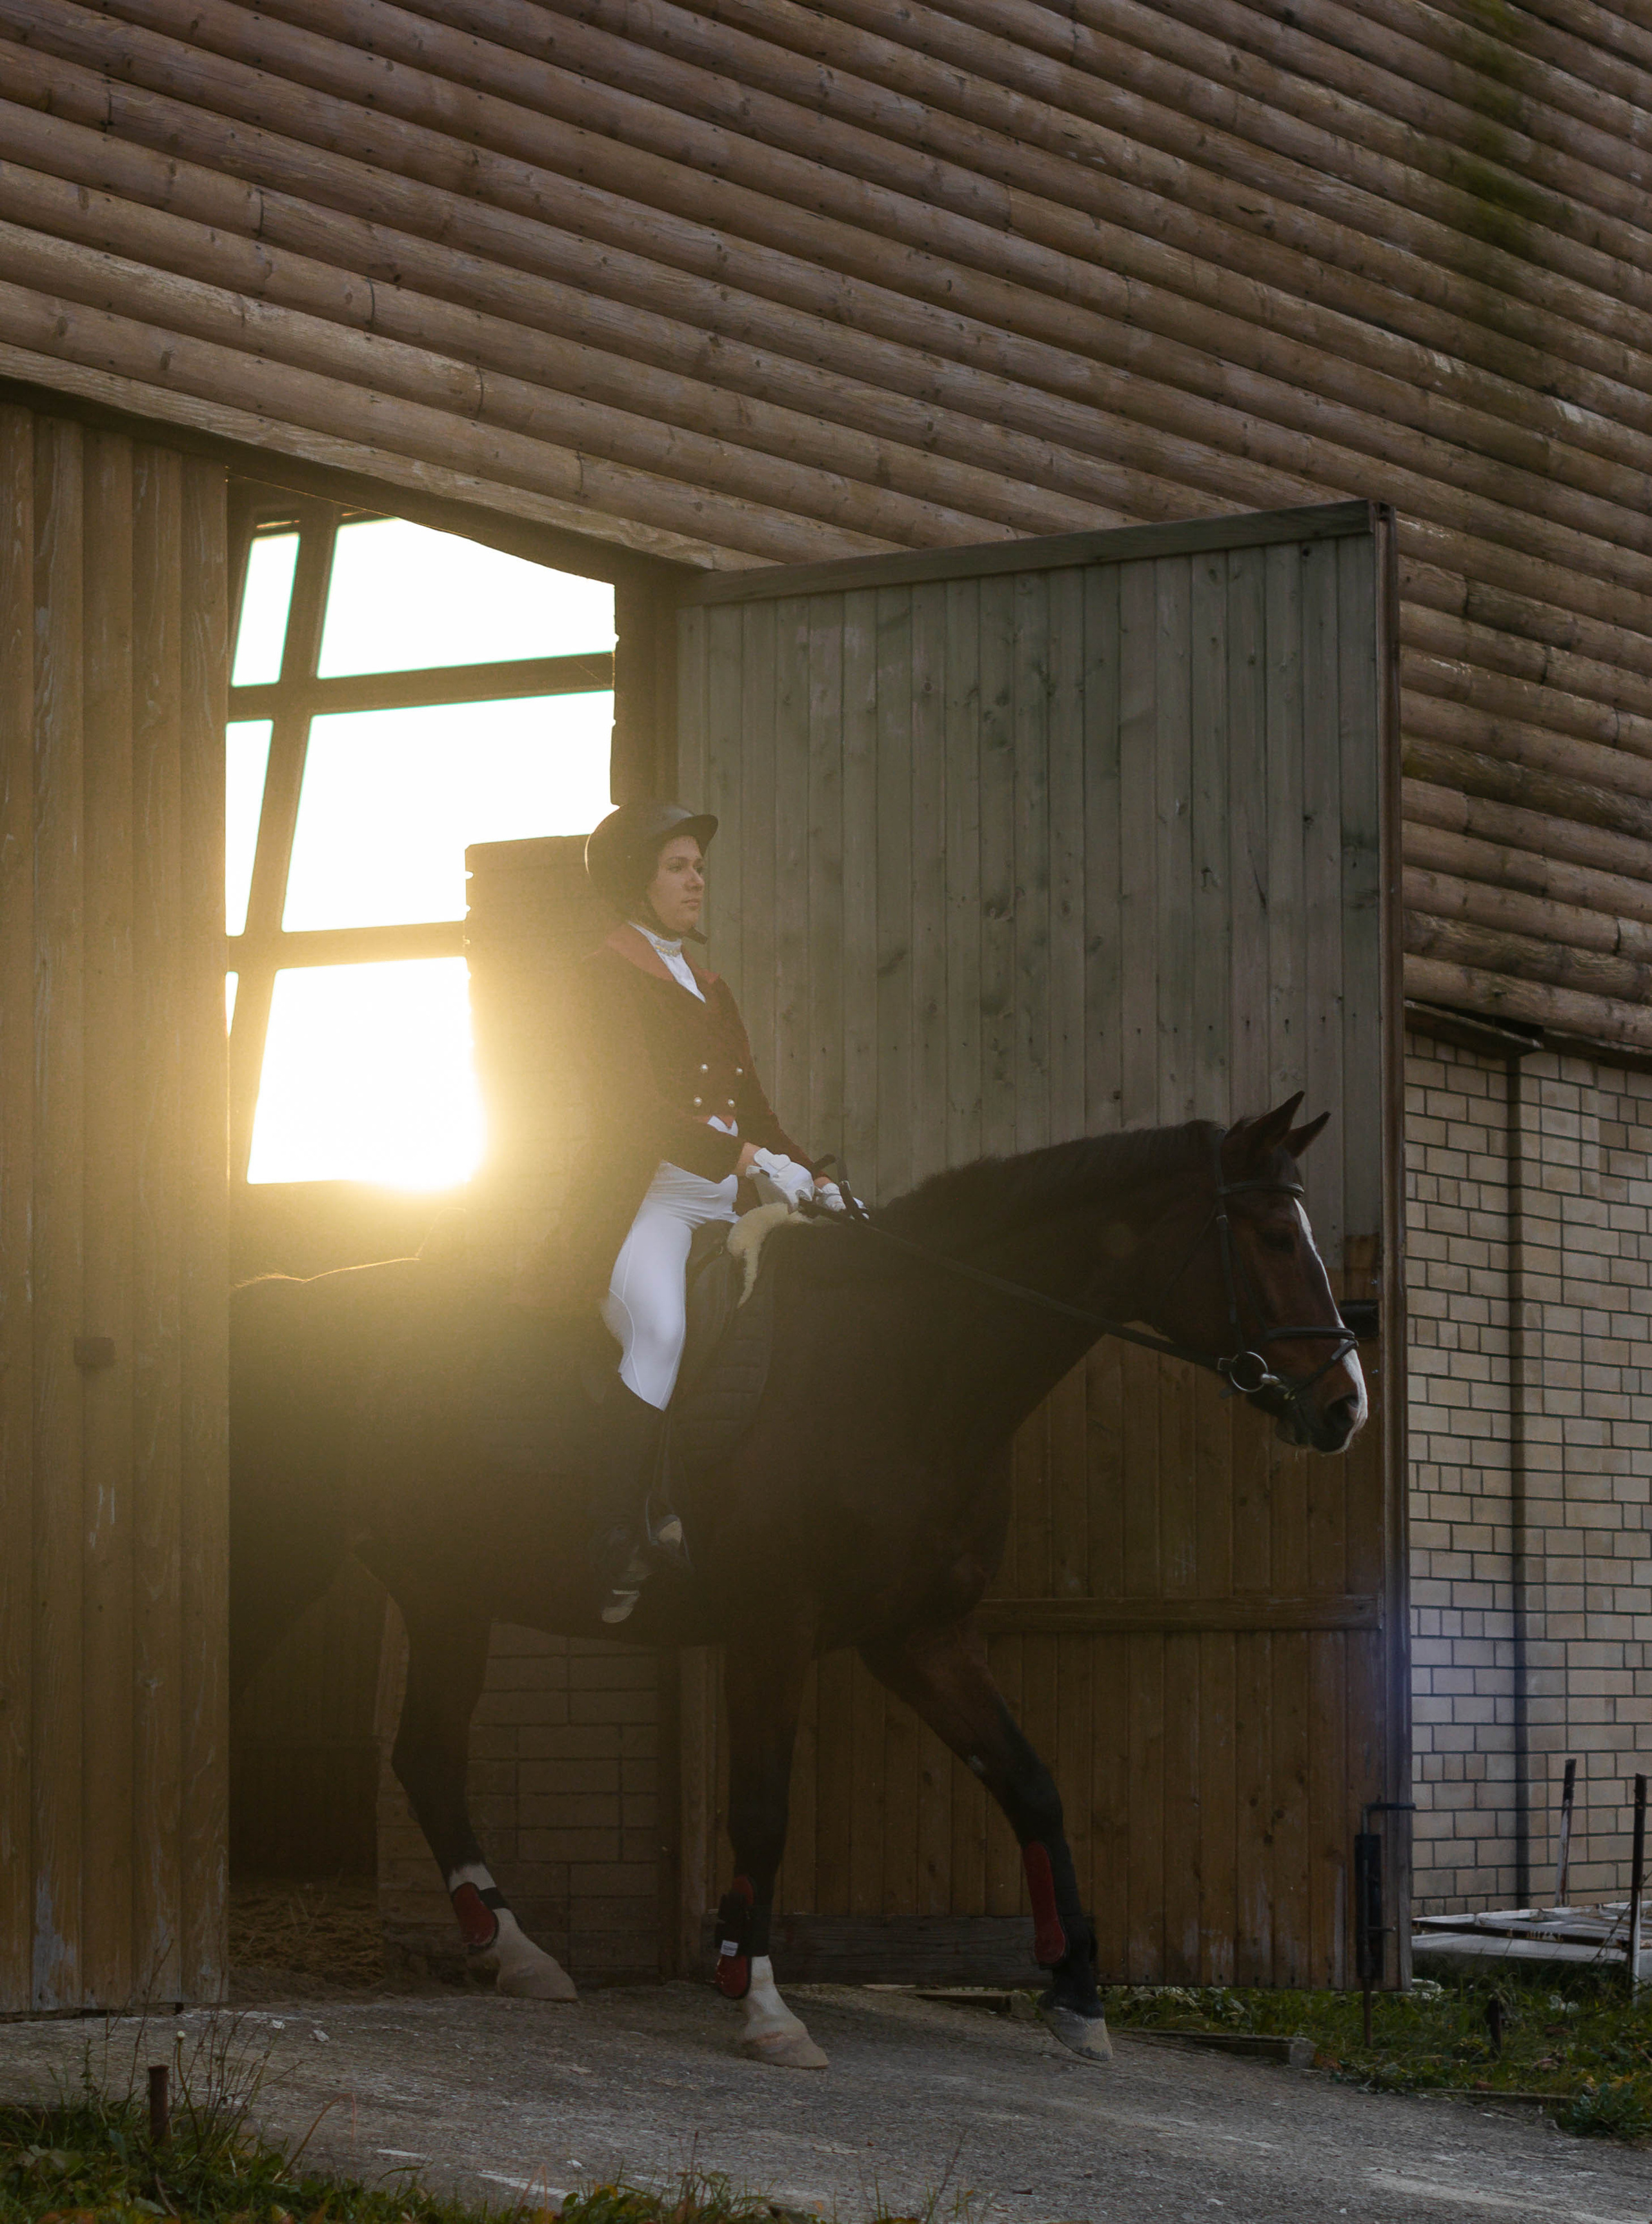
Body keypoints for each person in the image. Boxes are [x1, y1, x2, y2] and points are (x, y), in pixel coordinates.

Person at [561, 801, 840, 1624]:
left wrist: (815, 1175)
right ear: (634, 882)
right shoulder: (599, 977)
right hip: (650, 1202)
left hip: (726, 1198)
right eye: (678, 866)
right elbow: (630, 1112)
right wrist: (751, 1159)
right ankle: (615, 1535)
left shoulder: (711, 986)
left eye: (698, 866)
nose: (696, 880)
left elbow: (753, 1107)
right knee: (662, 1333)